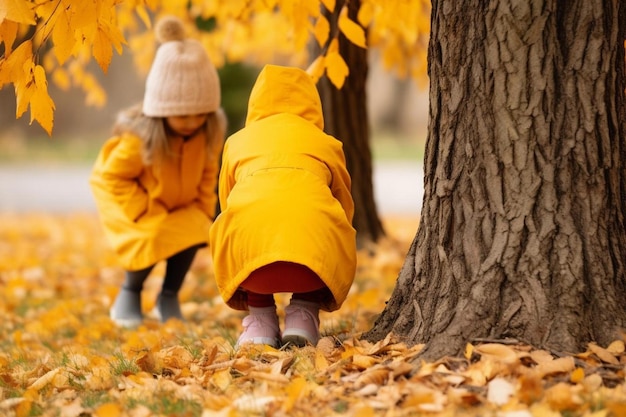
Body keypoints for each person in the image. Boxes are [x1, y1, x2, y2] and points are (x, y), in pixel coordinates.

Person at [89, 16, 226, 328]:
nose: (191, 121)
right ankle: (130, 291)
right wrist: (143, 209)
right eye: (181, 115)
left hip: (175, 206)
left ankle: (168, 296)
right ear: (161, 109)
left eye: (199, 114)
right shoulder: (140, 140)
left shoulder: (206, 136)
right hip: (134, 207)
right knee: (152, 237)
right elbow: (112, 177)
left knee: (195, 228)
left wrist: (204, 211)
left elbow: (208, 175)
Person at [209, 64, 357, 348]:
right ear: (313, 104)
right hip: (313, 267)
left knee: (240, 227)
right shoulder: (327, 144)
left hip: (251, 267)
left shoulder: (237, 142)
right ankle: (304, 316)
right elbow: (344, 204)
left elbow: (227, 200)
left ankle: (260, 324)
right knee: (327, 229)